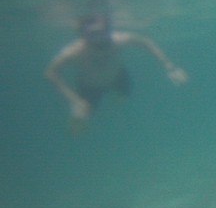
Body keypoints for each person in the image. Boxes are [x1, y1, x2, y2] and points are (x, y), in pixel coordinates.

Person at [45, 12, 189, 134]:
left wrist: (169, 66)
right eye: (92, 35)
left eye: (102, 33)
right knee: (78, 124)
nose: (99, 39)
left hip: (118, 78)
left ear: (109, 30)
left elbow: (145, 42)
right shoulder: (75, 51)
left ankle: (117, 110)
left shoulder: (118, 40)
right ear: (83, 35)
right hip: (89, 88)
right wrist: (74, 99)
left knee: (122, 101)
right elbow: (51, 72)